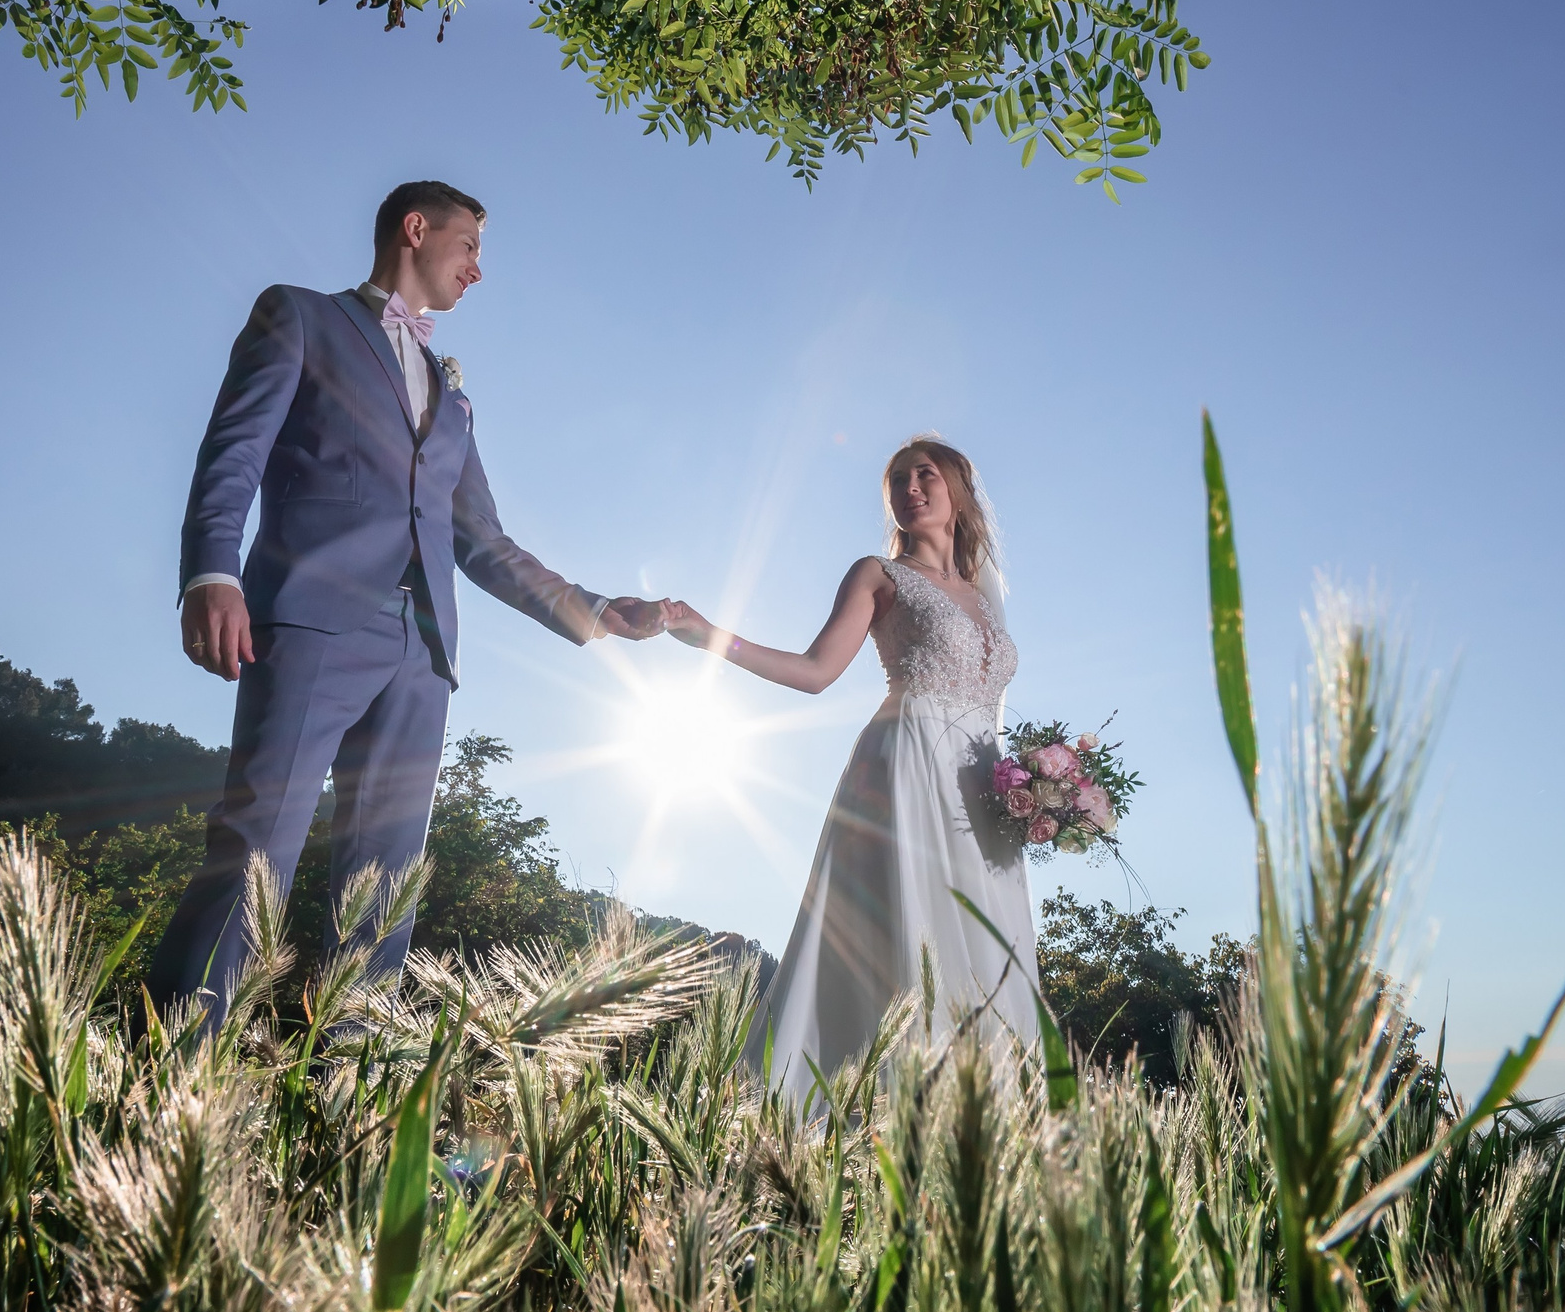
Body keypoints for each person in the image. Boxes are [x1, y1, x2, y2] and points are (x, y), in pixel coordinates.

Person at [150, 180, 665, 1023]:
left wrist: (598, 611)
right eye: (470, 248)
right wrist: (212, 570)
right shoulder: (302, 317)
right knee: (256, 847)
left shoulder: (455, 397)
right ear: (415, 230)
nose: (478, 271)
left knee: (384, 886)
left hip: (423, 657)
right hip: (311, 621)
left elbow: (484, 540)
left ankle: (346, 1094)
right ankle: (169, 1066)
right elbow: (234, 452)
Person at [661, 436, 1038, 1100]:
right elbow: (813, 673)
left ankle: (983, 1124)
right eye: (898, 479)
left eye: (926, 475)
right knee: (904, 936)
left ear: (959, 493)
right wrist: (712, 635)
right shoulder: (878, 574)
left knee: (991, 953)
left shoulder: (987, 597)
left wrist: (1034, 791)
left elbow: (994, 710)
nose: (910, 487)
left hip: (984, 796)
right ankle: (866, 1116)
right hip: (906, 769)